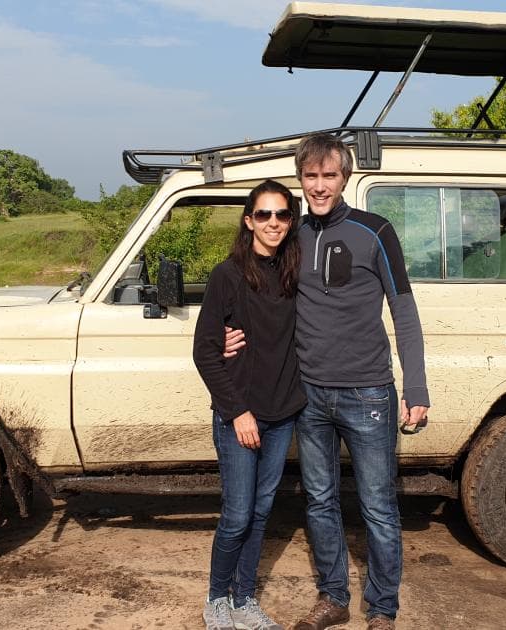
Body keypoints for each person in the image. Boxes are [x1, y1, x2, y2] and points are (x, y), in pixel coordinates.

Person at [226, 134, 429, 630]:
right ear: (302, 179)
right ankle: (333, 597)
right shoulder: (290, 235)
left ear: (345, 178)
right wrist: (228, 336)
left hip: (368, 393)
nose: (319, 186)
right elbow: (260, 297)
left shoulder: (375, 231)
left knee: (378, 506)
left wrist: (416, 388)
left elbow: (404, 309)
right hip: (309, 395)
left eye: (329, 176)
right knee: (319, 500)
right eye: (311, 176)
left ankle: (382, 609)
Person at [193, 179, 306, 630]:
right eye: (264, 214)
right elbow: (204, 351)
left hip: (282, 414)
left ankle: (245, 600)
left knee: (261, 512)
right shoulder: (228, 275)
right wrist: (237, 411)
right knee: (238, 514)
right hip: (241, 415)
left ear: (290, 221)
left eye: (281, 215)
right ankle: (216, 598)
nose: (273, 223)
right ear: (248, 221)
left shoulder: (296, 271)